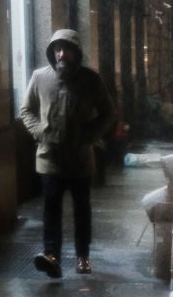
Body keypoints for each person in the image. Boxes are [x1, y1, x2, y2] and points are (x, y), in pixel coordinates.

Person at [20, 29, 115, 278]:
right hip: (49, 158)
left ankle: (83, 255)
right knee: (51, 210)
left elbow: (108, 113)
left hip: (80, 159)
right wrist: (40, 132)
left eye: (67, 49)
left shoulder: (90, 80)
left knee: (81, 210)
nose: (61, 54)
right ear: (52, 52)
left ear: (76, 52)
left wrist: (89, 136)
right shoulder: (40, 77)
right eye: (57, 49)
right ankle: (52, 256)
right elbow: (26, 110)